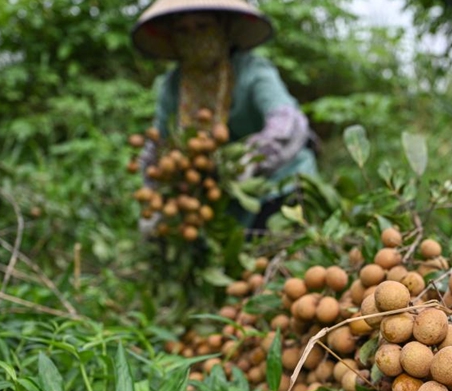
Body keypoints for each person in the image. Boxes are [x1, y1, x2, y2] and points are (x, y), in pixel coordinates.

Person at [131, 0, 317, 234]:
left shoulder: (252, 69)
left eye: (202, 26)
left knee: (280, 254)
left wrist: (252, 157)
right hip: (227, 196)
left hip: (283, 184)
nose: (194, 37)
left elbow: (287, 120)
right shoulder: (172, 84)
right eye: (183, 30)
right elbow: (160, 142)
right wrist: (154, 193)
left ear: (223, 28)